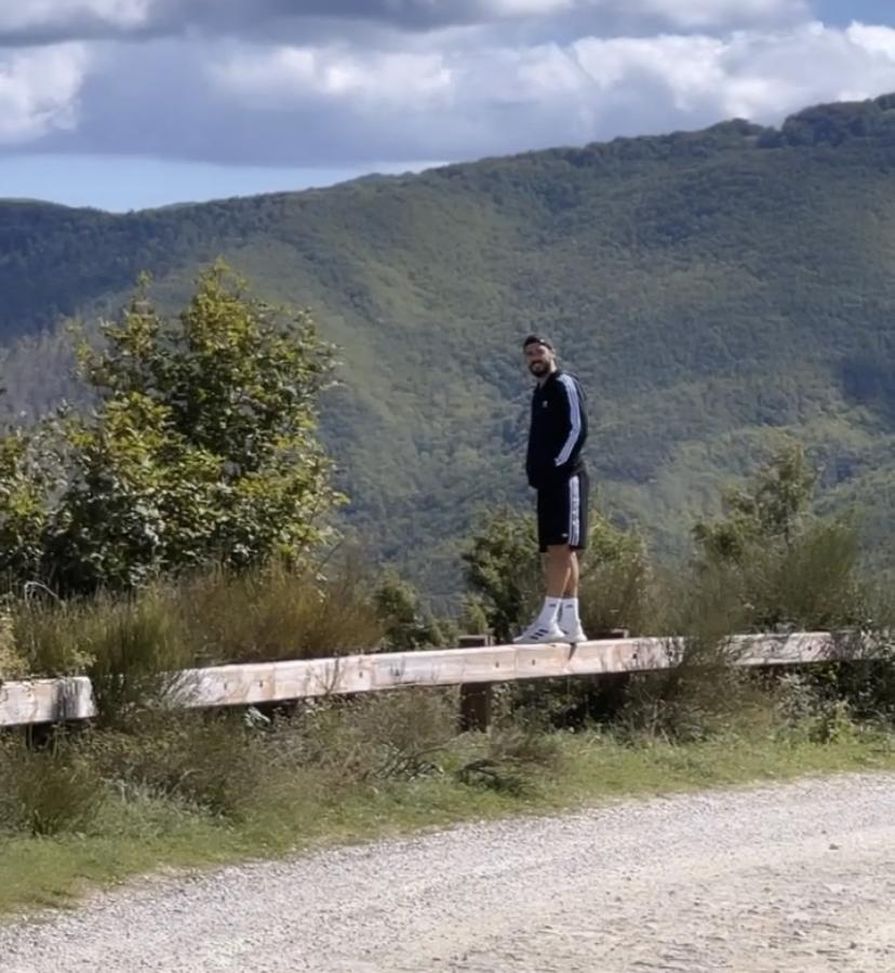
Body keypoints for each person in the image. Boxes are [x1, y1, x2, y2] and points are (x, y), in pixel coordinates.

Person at [513, 335, 588, 644]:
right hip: (548, 482)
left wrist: (557, 465)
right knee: (560, 550)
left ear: (552, 352)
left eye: (539, 351)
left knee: (561, 549)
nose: (534, 357)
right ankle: (570, 623)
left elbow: (578, 428)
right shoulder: (539, 392)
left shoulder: (563, 384)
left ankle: (547, 622)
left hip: (565, 478)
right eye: (529, 354)